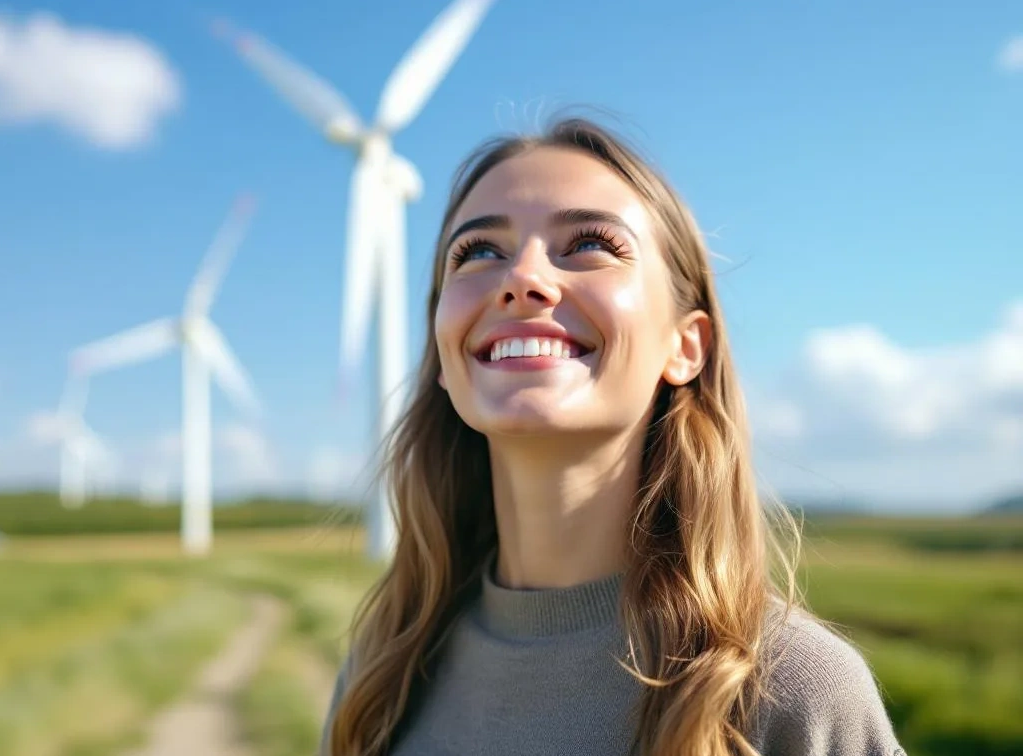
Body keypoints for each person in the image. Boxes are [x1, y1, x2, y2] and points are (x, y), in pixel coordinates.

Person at [318, 117, 905, 756]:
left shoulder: (793, 694)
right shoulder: (383, 674)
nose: (523, 277)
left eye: (590, 243)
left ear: (686, 347)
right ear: (441, 338)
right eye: (478, 253)